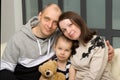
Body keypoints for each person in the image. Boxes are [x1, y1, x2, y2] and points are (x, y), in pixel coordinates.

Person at [0, 3, 114, 80]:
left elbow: (82, 37)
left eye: (55, 22)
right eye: (47, 19)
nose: (50, 25)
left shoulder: (60, 37)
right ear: (39, 16)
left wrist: (109, 52)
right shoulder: (18, 39)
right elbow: (4, 69)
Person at [57, 11, 114, 80]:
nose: (68, 31)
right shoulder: (71, 46)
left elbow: (94, 77)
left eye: (70, 25)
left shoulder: (97, 42)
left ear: (78, 22)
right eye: (64, 30)